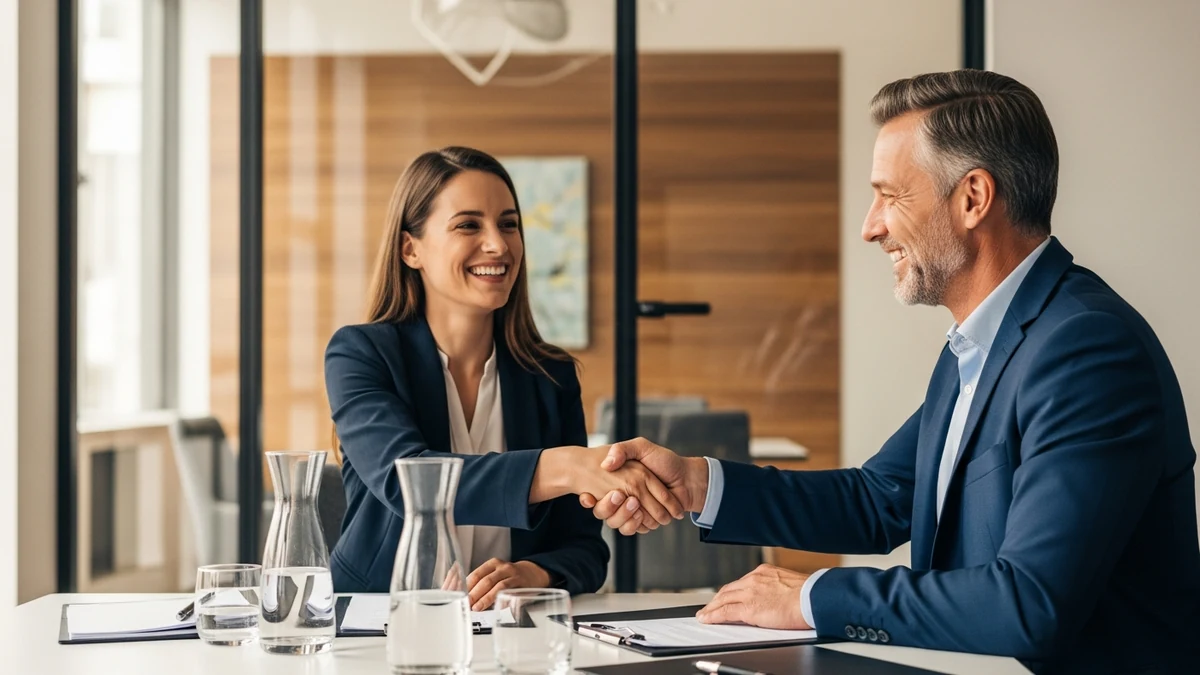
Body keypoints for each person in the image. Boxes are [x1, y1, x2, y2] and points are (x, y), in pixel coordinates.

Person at [581, 71, 1200, 674]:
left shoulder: (1085, 348)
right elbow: (879, 500)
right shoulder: (983, 343)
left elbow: (1029, 603)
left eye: (891, 195)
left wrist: (809, 598)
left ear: (973, 199)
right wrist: (695, 483)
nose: (870, 226)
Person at [325, 147, 682, 610]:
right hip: (376, 619)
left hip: (508, 630)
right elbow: (405, 479)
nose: (498, 244)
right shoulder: (361, 353)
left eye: (509, 224)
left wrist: (535, 573)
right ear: (411, 249)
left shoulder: (550, 376)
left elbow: (586, 550)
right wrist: (567, 467)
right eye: (468, 225)